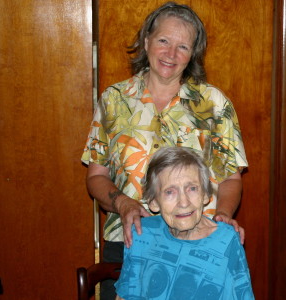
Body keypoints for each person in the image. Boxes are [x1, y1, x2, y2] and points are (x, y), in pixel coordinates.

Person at [81, 2, 248, 299]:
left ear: (192, 55)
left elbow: (231, 179)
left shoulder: (213, 104)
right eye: (163, 41)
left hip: (197, 243)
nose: (171, 54)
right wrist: (123, 204)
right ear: (146, 42)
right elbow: (95, 176)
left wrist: (223, 213)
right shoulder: (114, 100)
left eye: (183, 46)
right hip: (130, 241)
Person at [114, 147, 254, 300]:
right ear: (153, 202)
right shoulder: (142, 234)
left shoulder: (227, 240)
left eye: (192, 188)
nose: (183, 202)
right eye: (170, 192)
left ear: (206, 195)